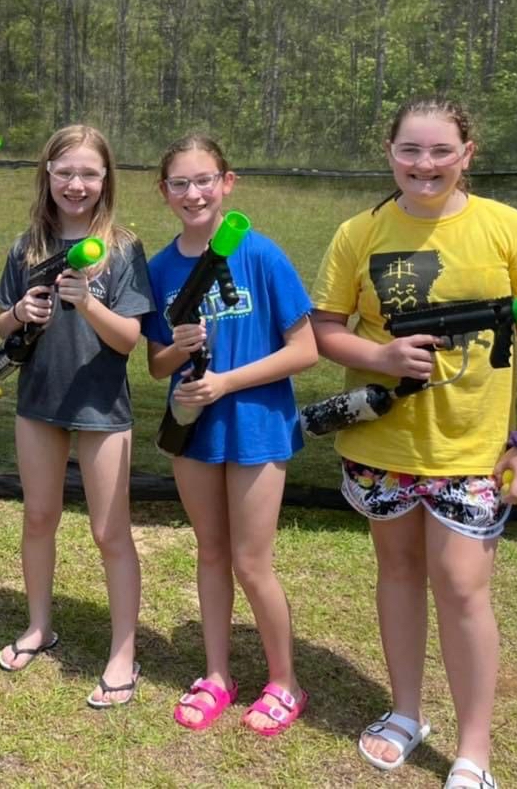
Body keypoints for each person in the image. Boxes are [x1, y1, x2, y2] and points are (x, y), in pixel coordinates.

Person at [311, 98, 517, 789]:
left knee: (461, 587)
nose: (425, 165)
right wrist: (382, 357)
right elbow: (325, 329)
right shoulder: (358, 233)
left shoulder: (508, 230)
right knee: (396, 574)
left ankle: (473, 750)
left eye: (440, 151)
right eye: (410, 151)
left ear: (467, 153)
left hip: (473, 453)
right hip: (381, 445)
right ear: (389, 152)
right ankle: (405, 713)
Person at [142, 134, 317, 736]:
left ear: (227, 183)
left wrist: (225, 383)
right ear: (163, 193)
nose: (194, 193)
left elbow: (306, 349)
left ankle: (285, 683)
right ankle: (217, 675)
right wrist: (179, 355)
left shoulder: (261, 255)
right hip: (193, 429)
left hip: (258, 427)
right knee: (211, 551)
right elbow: (156, 365)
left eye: (204, 180)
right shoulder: (160, 269)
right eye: (180, 184)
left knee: (251, 560)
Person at [0, 125, 153, 708]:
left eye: (88, 173)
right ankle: (39, 627)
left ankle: (123, 652)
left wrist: (88, 302)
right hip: (39, 403)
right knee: (38, 517)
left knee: (110, 531)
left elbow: (130, 339)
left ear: (106, 179)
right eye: (65, 172)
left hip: (102, 408)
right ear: (48, 175)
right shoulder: (27, 245)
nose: (76, 184)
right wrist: (19, 310)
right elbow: (1, 326)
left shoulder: (123, 247)